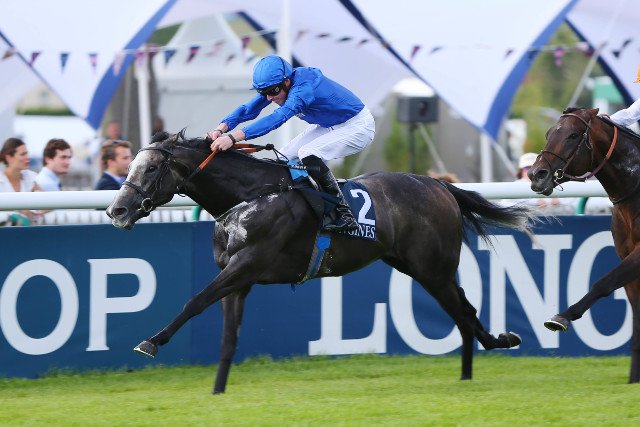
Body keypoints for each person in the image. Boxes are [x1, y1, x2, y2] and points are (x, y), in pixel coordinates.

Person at [207, 55, 376, 232]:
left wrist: (232, 138)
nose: (269, 98)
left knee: (307, 153)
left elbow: (277, 118)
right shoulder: (277, 86)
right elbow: (247, 109)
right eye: (264, 93)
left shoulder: (303, 89)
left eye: (272, 92)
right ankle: (302, 205)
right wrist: (220, 129)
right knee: (284, 157)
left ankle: (343, 213)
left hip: (358, 126)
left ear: (287, 82)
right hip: (329, 124)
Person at [0, 138, 42, 225]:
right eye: (23, 154)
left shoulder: (31, 177)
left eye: (27, 153)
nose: (28, 157)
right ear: (9, 158)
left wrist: (31, 210)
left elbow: (47, 203)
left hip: (27, 230)